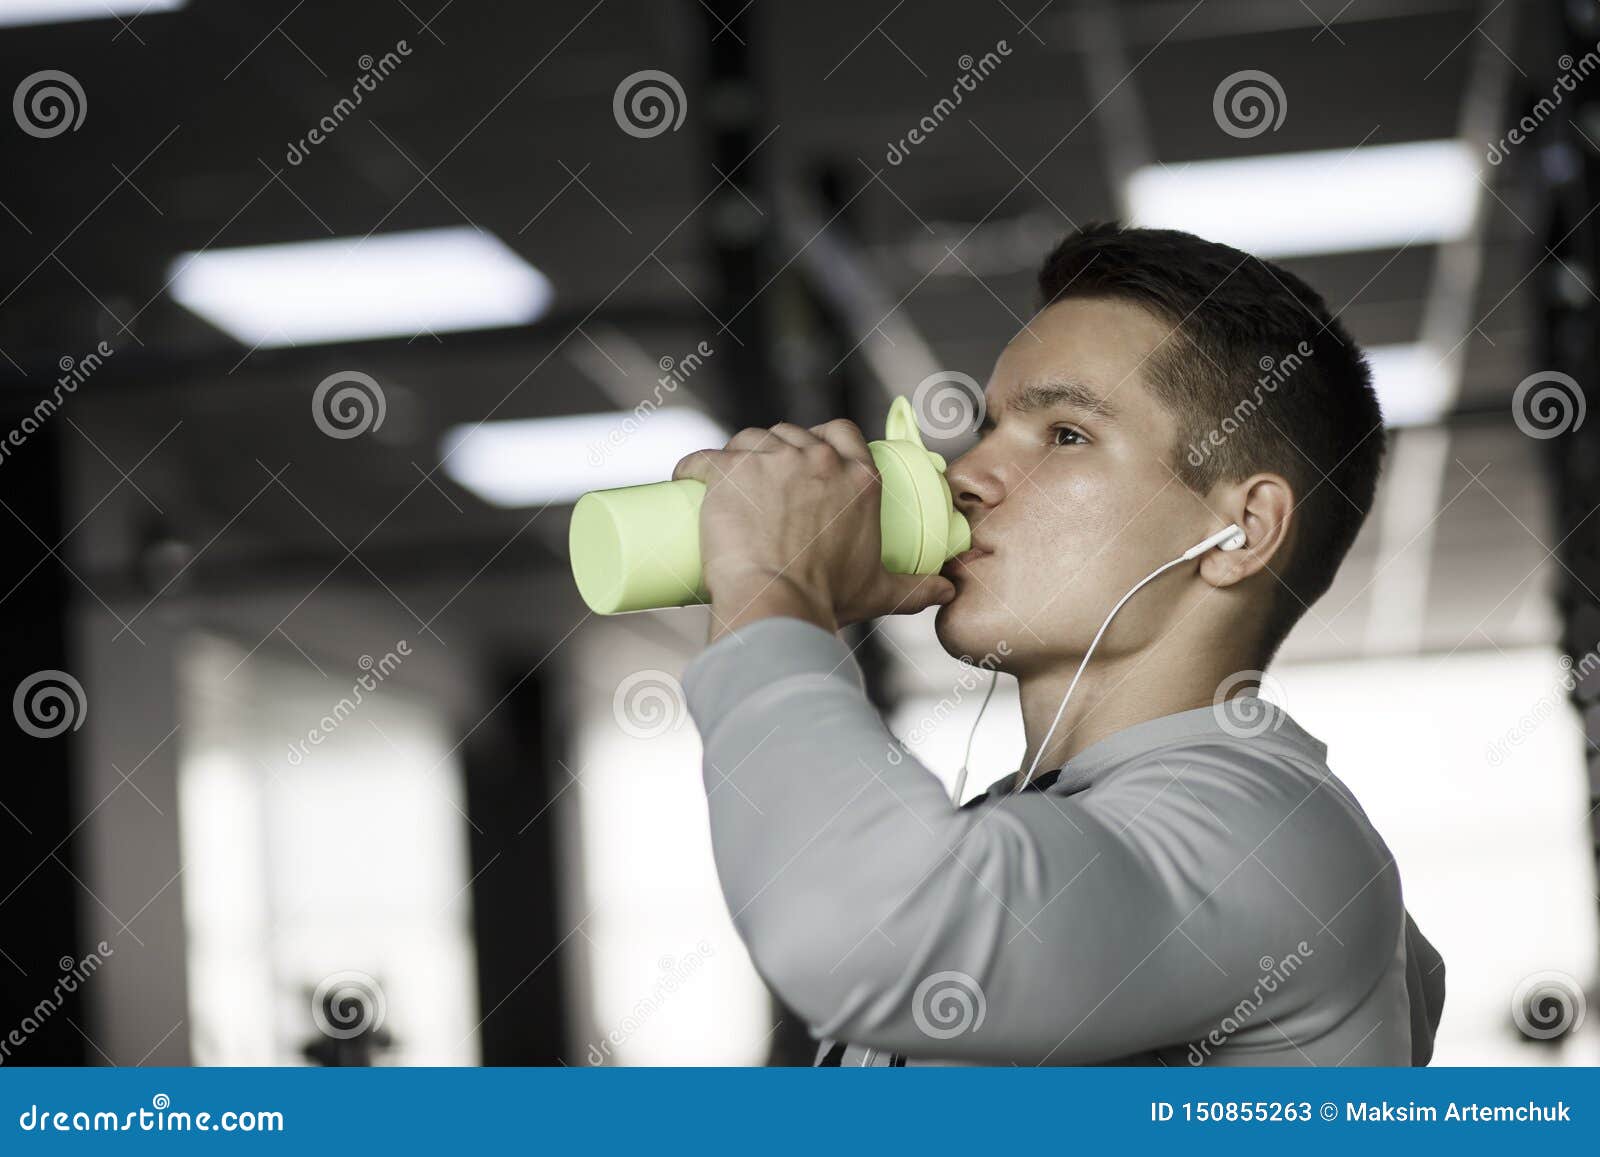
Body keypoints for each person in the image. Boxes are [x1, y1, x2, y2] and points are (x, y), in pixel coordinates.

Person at [672, 223, 1446, 1066]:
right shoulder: (1060, 818)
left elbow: (878, 936)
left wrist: (770, 585)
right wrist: (800, 605)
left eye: (1066, 434)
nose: (965, 472)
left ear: (1240, 532)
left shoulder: (1275, 837)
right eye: (991, 425)